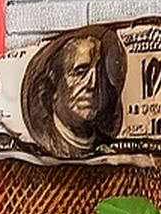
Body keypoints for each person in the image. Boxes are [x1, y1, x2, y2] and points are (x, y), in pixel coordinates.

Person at [19, 23, 129, 159]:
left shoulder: (106, 145)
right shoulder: (47, 144)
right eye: (80, 71)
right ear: (52, 87)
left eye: (99, 72)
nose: (93, 83)